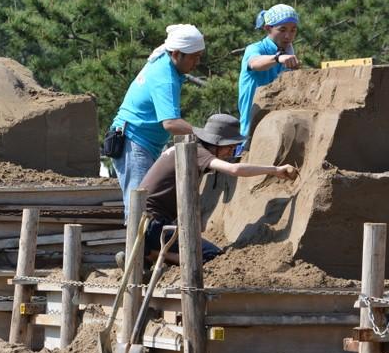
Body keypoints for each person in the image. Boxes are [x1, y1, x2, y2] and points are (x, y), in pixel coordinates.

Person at [117, 114, 297, 269]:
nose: (232, 151)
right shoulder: (197, 151)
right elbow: (235, 170)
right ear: (215, 142)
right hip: (152, 227)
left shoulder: (188, 148)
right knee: (213, 256)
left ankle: (148, 253)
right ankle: (148, 256)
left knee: (199, 248)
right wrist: (275, 170)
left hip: (146, 225)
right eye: (229, 146)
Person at [109, 24, 205, 219]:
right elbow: (171, 123)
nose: (197, 62)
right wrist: (206, 136)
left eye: (199, 55)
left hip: (143, 143)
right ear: (177, 54)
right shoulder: (165, 77)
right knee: (140, 206)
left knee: (146, 203)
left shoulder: (165, 61)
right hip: (133, 142)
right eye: (194, 57)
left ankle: (142, 249)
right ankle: (136, 250)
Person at [237, 4, 300, 150]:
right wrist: (278, 58)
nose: (288, 36)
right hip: (250, 132)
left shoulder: (289, 53)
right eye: (282, 30)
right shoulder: (256, 49)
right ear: (267, 29)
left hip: (276, 130)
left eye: (293, 30)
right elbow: (254, 63)